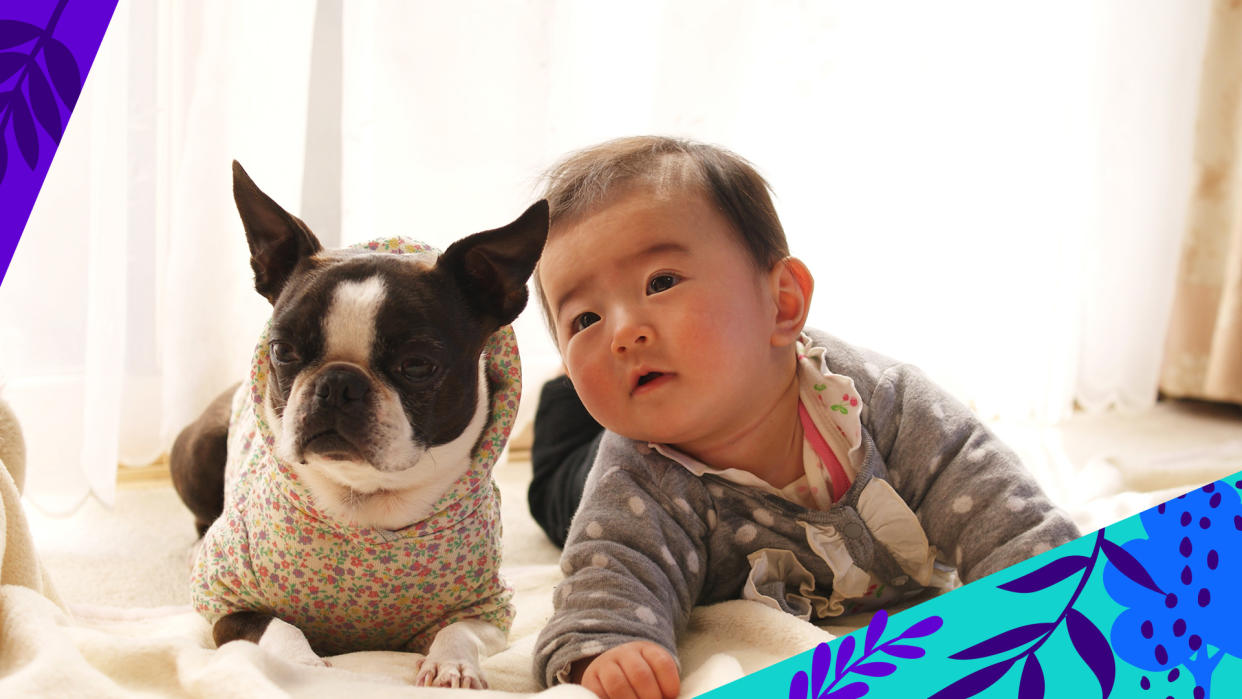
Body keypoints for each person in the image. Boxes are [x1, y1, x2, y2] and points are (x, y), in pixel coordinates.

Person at [527, 136, 1079, 699]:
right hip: (594, 464)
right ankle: (561, 400)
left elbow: (1003, 513)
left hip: (655, 408)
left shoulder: (885, 404)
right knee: (556, 493)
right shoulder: (634, 475)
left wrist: (1053, 600)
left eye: (660, 282)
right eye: (585, 319)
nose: (622, 332)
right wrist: (610, 649)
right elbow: (613, 572)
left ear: (782, 304)